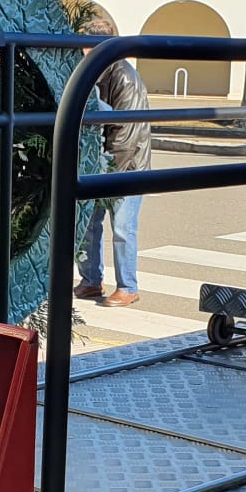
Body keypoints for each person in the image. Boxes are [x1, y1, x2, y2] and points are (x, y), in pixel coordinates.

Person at [75, 58, 151, 307]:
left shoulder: (124, 77)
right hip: (101, 163)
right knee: (89, 223)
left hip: (125, 166)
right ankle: (91, 280)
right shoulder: (95, 72)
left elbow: (125, 135)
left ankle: (128, 287)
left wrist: (108, 175)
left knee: (122, 228)